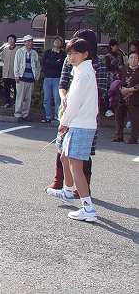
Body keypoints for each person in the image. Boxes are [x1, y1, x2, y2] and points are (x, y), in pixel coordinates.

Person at [47, 29, 108, 195]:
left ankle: (83, 189)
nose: (72, 53)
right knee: (62, 149)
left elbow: (101, 90)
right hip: (68, 110)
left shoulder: (97, 64)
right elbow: (62, 83)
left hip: (86, 115)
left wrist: (78, 98)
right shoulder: (70, 59)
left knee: (82, 154)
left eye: (79, 41)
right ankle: (60, 182)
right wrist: (64, 98)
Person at [45, 38, 98, 222]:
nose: (71, 57)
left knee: (76, 167)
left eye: (75, 53)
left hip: (80, 124)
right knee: (64, 157)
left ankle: (88, 208)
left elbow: (74, 103)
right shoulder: (82, 71)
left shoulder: (83, 75)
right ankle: (67, 191)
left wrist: (64, 122)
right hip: (79, 123)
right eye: (69, 53)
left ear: (85, 54)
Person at [113, 52, 139, 144]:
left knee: (135, 119)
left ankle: (133, 138)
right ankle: (118, 136)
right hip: (122, 97)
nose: (133, 60)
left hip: (135, 98)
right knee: (119, 116)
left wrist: (130, 89)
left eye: (135, 58)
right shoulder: (123, 69)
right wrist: (121, 89)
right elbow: (117, 80)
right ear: (128, 60)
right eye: (131, 58)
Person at [13, 35, 40, 121]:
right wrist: (16, 75)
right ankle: (18, 114)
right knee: (20, 97)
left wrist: (37, 77)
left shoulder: (34, 53)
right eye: (27, 41)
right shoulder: (20, 51)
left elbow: (38, 66)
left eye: (31, 41)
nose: (29, 43)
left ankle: (25, 115)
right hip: (21, 78)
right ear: (24, 43)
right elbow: (16, 64)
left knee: (28, 98)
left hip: (31, 78)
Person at [41, 36, 66, 123]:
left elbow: (61, 66)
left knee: (57, 99)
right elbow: (44, 64)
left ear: (61, 44)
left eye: (59, 41)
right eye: (56, 41)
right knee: (46, 99)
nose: (57, 42)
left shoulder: (63, 54)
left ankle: (57, 116)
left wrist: (51, 63)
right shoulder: (47, 53)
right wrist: (55, 63)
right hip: (47, 78)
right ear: (53, 42)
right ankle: (48, 116)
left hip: (57, 78)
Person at [0, 34, 17, 108]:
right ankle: (7, 102)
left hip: (14, 73)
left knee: (16, 89)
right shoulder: (5, 49)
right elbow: (2, 59)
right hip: (6, 73)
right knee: (6, 89)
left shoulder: (18, 50)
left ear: (15, 40)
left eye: (12, 39)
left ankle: (15, 102)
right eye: (9, 39)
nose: (10, 41)